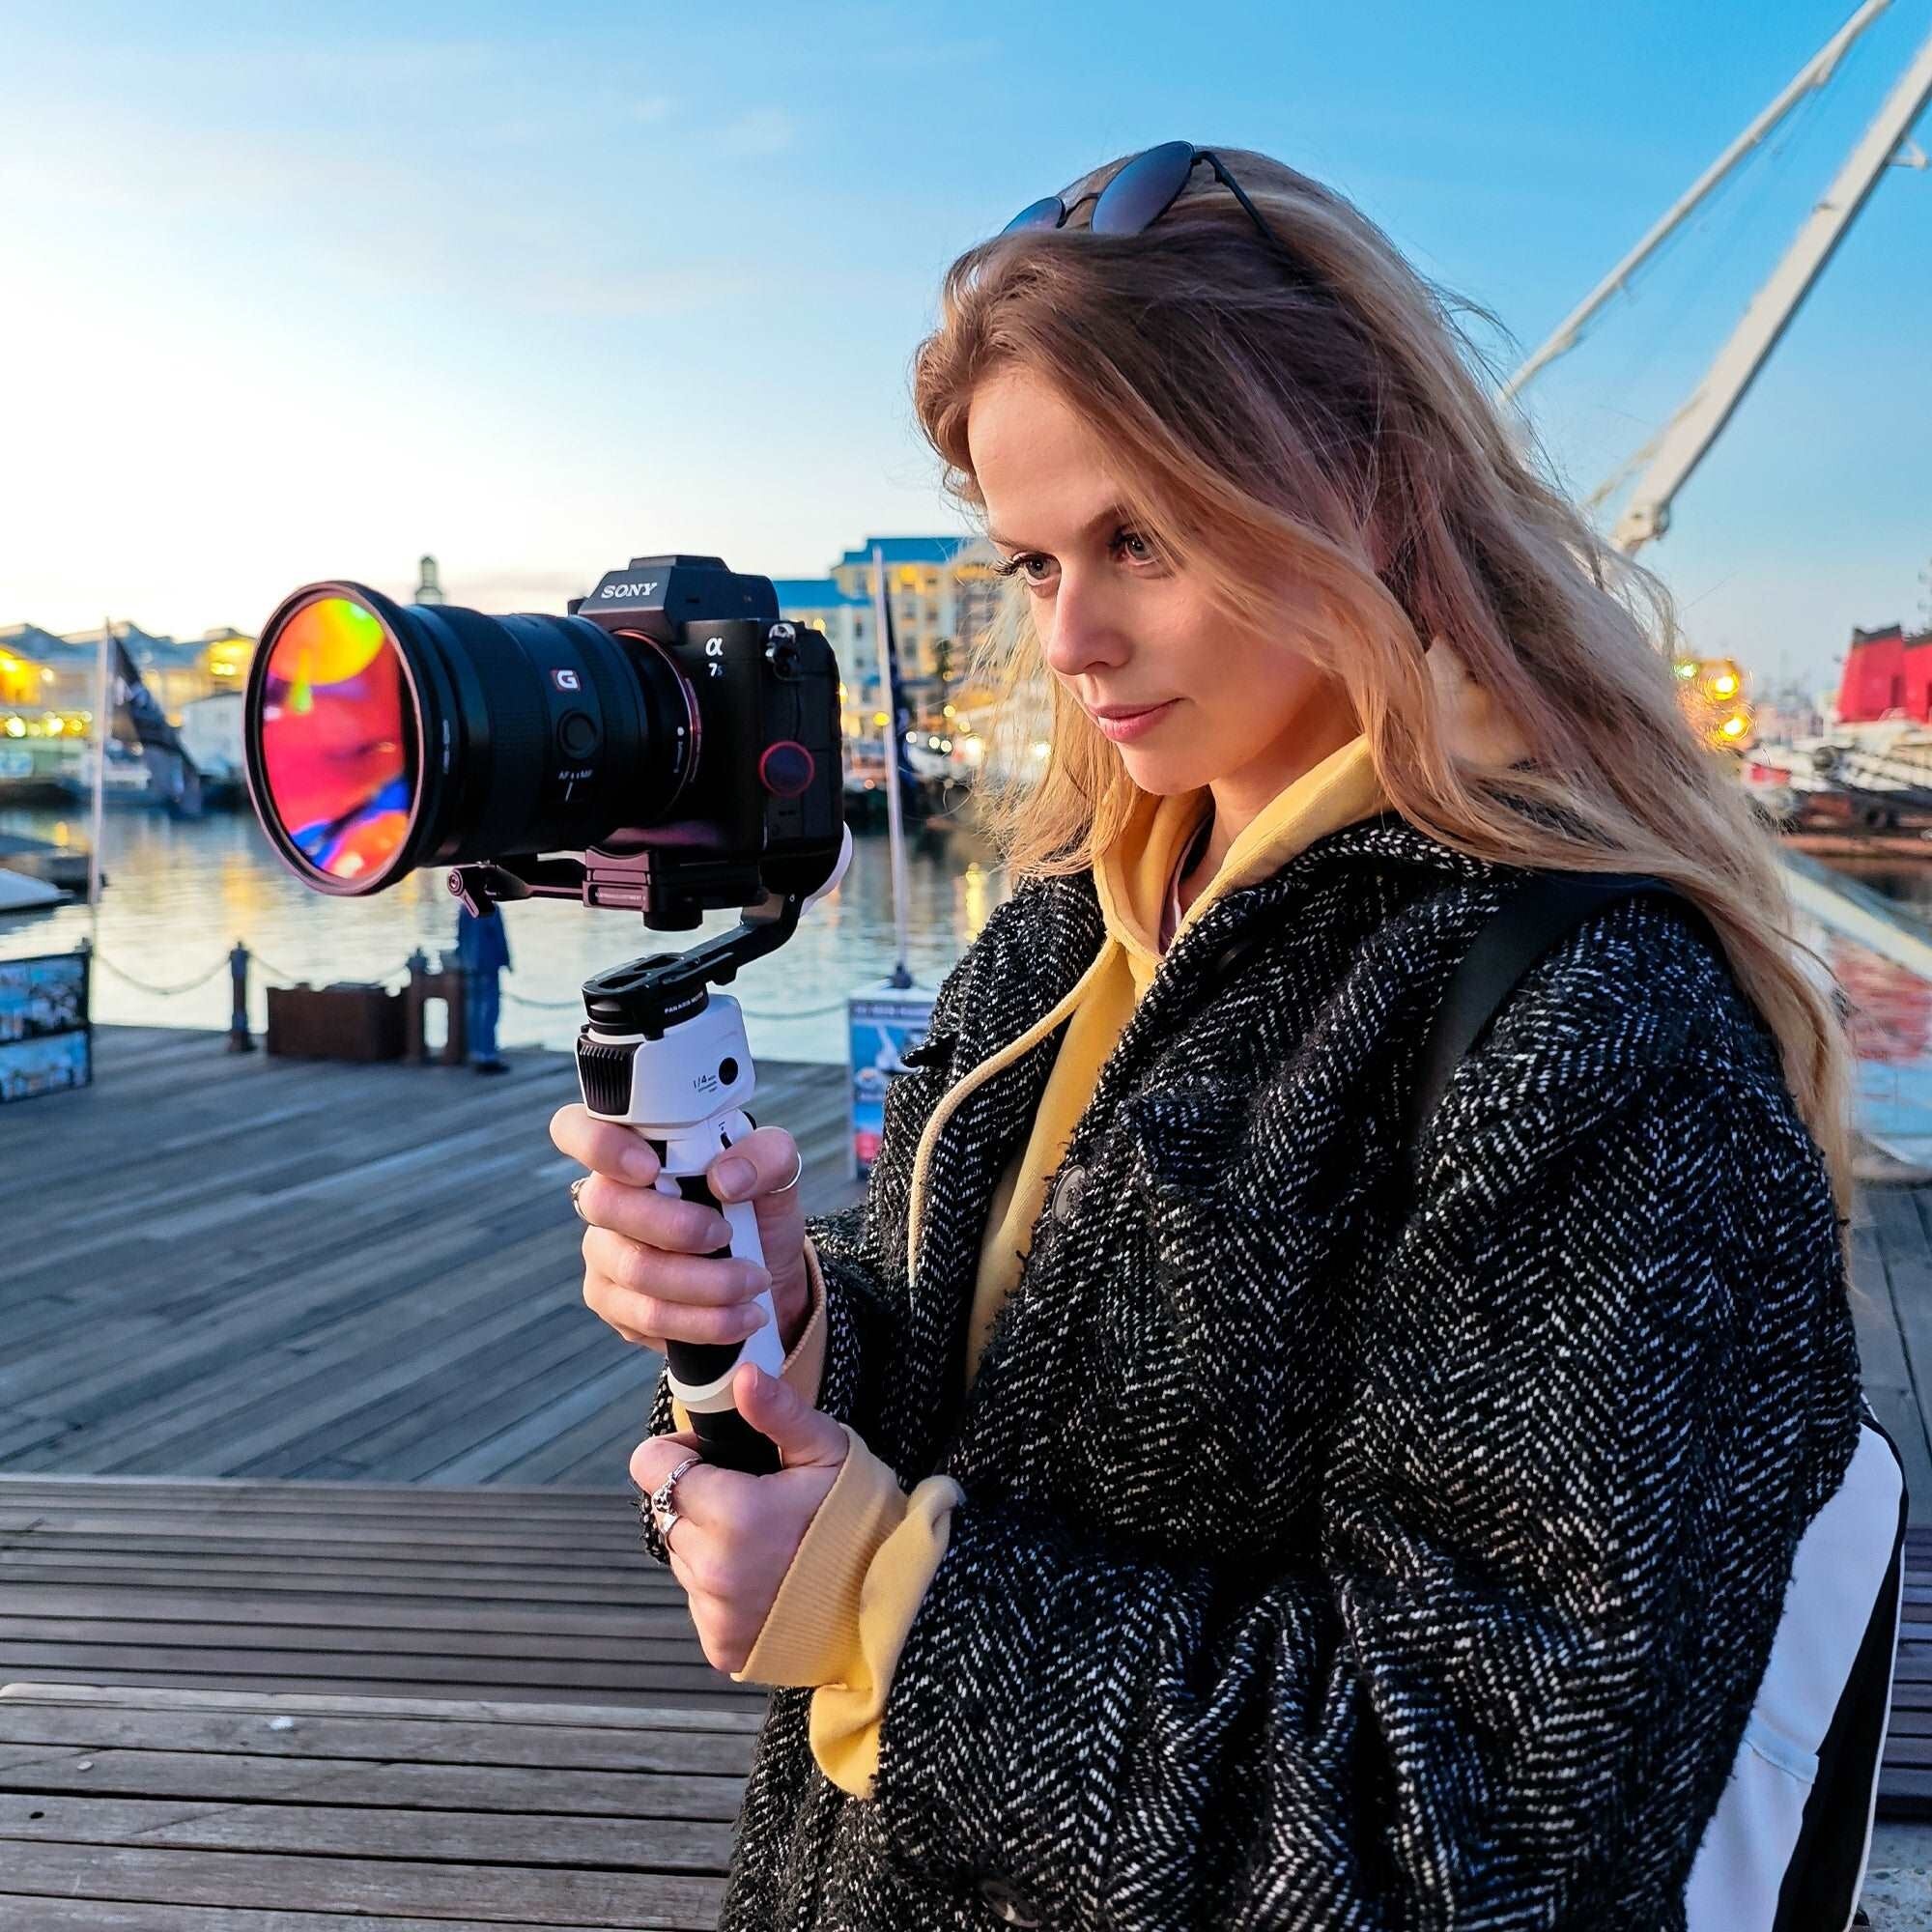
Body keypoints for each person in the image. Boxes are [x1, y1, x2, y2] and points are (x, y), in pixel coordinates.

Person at [552, 144, 1895, 1928]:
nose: (1073, 639)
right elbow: (998, 1400)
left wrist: (886, 1605)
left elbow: (1477, 1842)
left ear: (1372, 487)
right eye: (1035, 561)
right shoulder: (1071, 924)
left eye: (1142, 540)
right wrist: (796, 1319)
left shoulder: (1598, 1027)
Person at [454, 899, 510, 1073]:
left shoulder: (464, 908)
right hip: (488, 964)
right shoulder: (491, 908)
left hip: (470, 966)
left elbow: (460, 936)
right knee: (489, 1011)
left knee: (474, 1011)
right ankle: (488, 1055)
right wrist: (507, 960)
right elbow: (499, 936)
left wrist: (462, 960)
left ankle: (476, 1053)